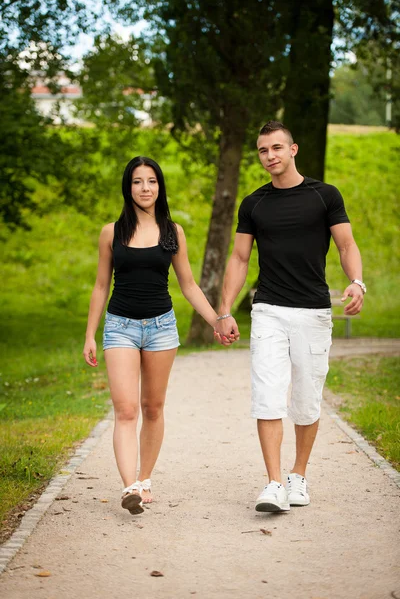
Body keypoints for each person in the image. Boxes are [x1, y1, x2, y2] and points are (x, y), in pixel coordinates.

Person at [215, 120, 365, 512]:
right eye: (263, 151)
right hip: (268, 310)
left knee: (306, 399)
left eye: (277, 148)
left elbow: (346, 244)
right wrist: (224, 310)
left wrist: (357, 282)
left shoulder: (324, 196)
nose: (270, 156)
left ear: (293, 149)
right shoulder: (254, 204)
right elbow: (239, 257)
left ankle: (298, 475)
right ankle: (273, 482)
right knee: (267, 396)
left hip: (314, 312)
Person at [83, 156, 221, 515]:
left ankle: (144, 478)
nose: (145, 188)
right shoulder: (111, 233)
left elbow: (188, 284)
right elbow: (100, 286)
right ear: (127, 187)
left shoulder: (173, 232)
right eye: (137, 182)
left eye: (152, 181)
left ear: (160, 187)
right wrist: (90, 335)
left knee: (152, 408)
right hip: (120, 327)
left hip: (161, 328)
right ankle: (128, 486)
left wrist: (216, 319)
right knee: (126, 409)